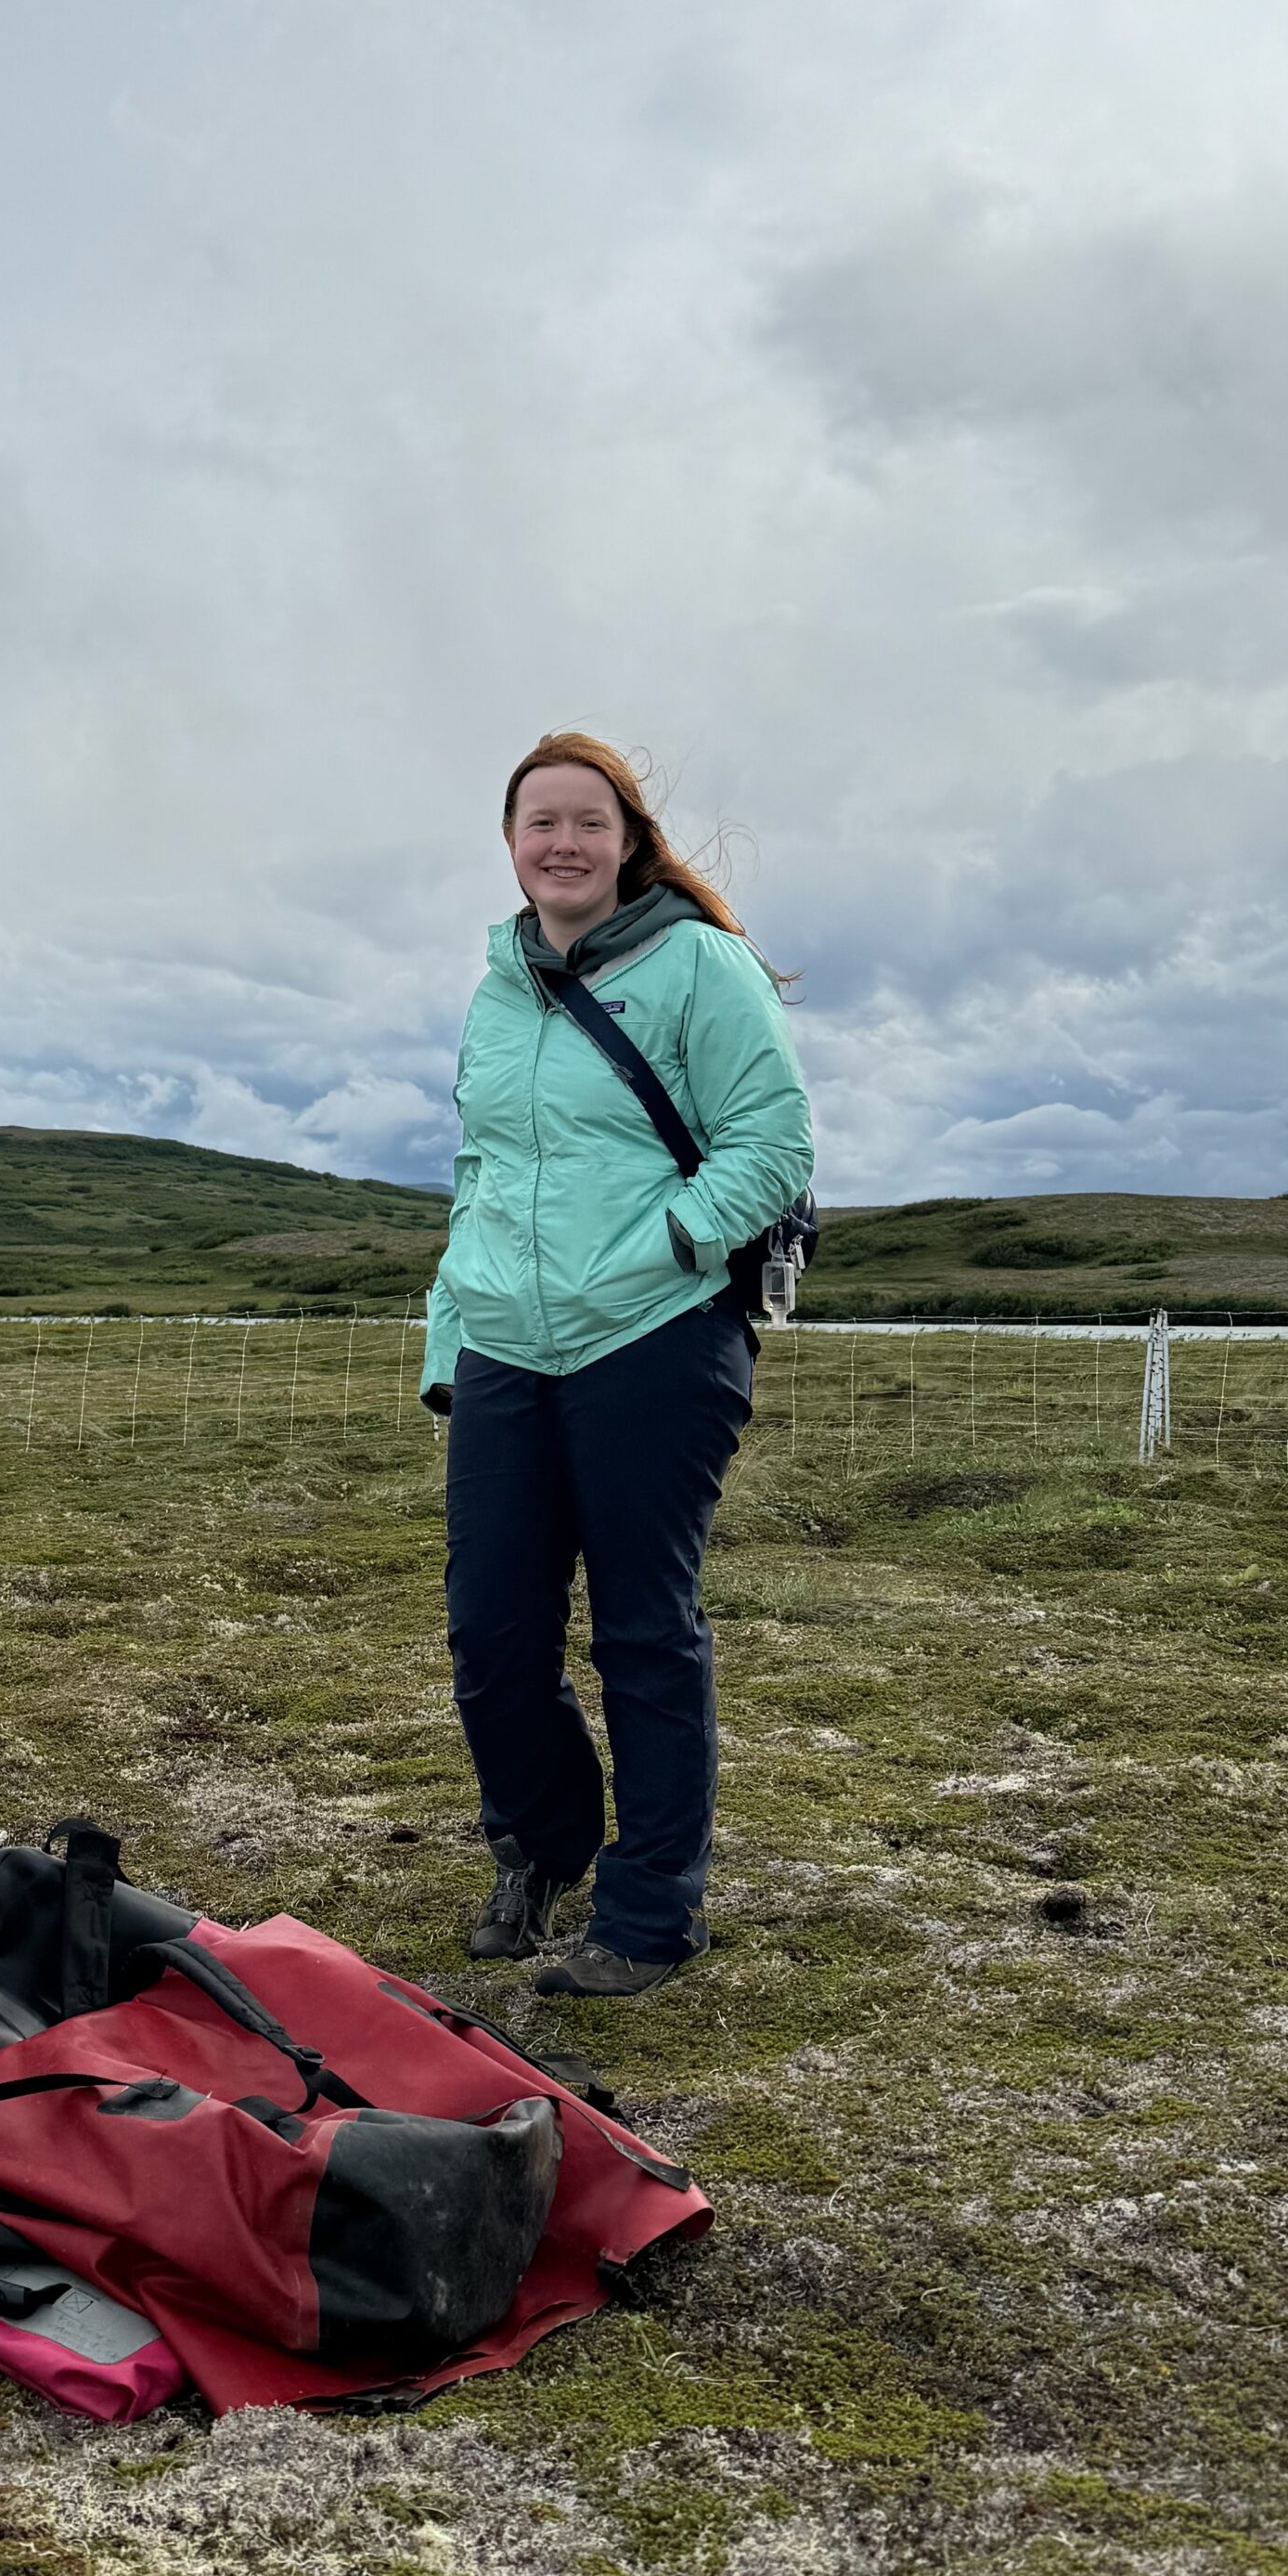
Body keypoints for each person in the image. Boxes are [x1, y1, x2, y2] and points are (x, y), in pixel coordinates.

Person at [422, 732, 813, 1998]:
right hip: (503, 1344)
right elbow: (482, 1174)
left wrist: (668, 1248)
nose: (564, 843)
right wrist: (448, 1334)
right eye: (541, 823)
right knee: (491, 1632)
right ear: (512, 843)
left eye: (588, 821)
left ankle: (651, 1916)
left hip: (653, 1337)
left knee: (644, 1633)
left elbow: (773, 1143)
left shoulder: (703, 966)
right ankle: (542, 1851)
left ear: (628, 840)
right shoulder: (492, 987)